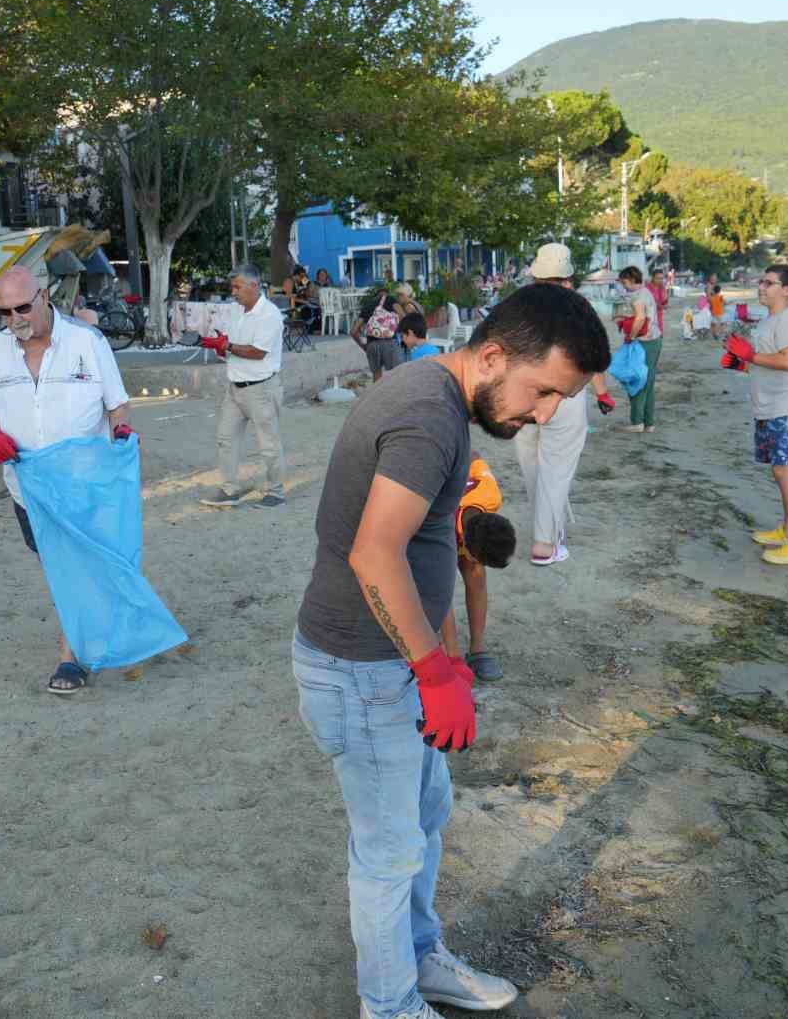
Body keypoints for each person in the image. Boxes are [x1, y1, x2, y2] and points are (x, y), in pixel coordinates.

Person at [292, 283, 610, 1019]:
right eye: (543, 392)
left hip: (396, 663)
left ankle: (419, 954)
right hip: (362, 672)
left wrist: (447, 658)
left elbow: (426, 546)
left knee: (428, 817)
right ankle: (390, 1005)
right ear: (494, 355)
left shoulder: (441, 391)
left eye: (561, 398)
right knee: (388, 854)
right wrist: (435, 671)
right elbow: (375, 554)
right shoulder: (428, 415)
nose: (546, 413)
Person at [0, 265, 132, 693]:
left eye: (22, 307)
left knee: (70, 569)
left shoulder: (88, 343)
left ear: (44, 297)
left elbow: (117, 405)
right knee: (59, 567)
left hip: (83, 485)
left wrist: (121, 432)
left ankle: (70, 657)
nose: (14, 319)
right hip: (28, 490)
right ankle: (87, 629)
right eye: (4, 312)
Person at [516, 244, 616, 565]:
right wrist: (599, 393)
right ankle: (545, 543)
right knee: (556, 470)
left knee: (533, 467)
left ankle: (549, 530)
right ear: (568, 278)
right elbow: (593, 358)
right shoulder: (578, 308)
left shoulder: (518, 306)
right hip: (562, 396)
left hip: (522, 396)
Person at [723, 264, 788, 565]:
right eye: (760, 282)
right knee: (779, 469)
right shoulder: (769, 320)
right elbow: (767, 361)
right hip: (770, 403)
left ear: (787, 289)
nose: (761, 287)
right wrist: (741, 363)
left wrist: (750, 355)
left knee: (785, 469)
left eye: (769, 283)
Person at [199, 263, 286, 509]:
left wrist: (226, 346)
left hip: (262, 389)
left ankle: (276, 492)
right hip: (235, 387)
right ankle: (230, 489)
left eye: (237, 287)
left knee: (268, 444)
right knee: (225, 438)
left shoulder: (269, 315)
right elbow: (232, 345)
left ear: (254, 285)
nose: (233, 292)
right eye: (232, 287)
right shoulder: (236, 311)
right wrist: (221, 345)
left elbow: (258, 352)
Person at [438, 454, 516, 682]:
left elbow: (473, 456)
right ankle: (452, 656)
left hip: (458, 523)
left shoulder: (490, 493)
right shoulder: (439, 522)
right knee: (441, 587)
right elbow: (441, 596)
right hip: (433, 526)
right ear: (471, 552)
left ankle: (477, 650)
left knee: (477, 575)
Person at [613, 266, 661, 434]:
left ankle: (637, 422)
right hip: (655, 341)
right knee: (648, 382)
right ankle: (649, 423)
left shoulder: (638, 296)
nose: (623, 285)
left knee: (637, 380)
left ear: (632, 280)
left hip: (643, 342)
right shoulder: (646, 292)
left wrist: (631, 336)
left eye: (624, 282)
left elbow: (640, 318)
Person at [353, 283, 412, 380]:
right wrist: (398, 331)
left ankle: (378, 395)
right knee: (397, 375)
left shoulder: (367, 306)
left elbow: (353, 331)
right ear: (386, 293)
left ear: (376, 294)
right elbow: (403, 317)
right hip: (389, 343)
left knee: (377, 377)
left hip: (371, 344)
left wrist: (364, 346)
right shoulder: (390, 299)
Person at [647, 267, 670, 338]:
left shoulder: (662, 287)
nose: (660, 280)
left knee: (659, 338)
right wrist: (661, 306)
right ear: (652, 278)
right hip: (649, 319)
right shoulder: (647, 288)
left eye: (661, 278)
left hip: (659, 318)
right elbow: (648, 303)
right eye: (658, 278)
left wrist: (665, 303)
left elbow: (665, 301)